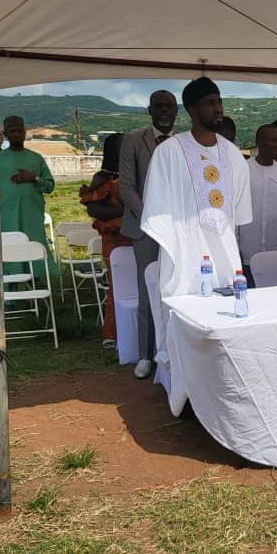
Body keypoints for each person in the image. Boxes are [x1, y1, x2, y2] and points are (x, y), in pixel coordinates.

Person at [141, 77, 252, 367]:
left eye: (219, 102)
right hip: (184, 258)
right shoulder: (169, 152)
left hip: (225, 258)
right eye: (210, 103)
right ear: (191, 109)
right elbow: (157, 211)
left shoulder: (233, 156)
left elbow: (237, 217)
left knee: (225, 324)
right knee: (185, 325)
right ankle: (183, 389)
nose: (218, 109)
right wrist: (180, 244)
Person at [119, 89, 178, 379]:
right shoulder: (133, 141)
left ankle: (173, 350)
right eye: (160, 106)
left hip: (178, 231)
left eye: (170, 106)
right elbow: (126, 187)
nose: (165, 111)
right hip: (145, 229)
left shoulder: (182, 143)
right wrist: (151, 220)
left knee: (175, 288)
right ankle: (145, 355)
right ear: (150, 110)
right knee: (148, 290)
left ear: (177, 110)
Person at [79, 133, 132, 348]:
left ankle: (134, 329)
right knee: (118, 286)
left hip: (137, 236)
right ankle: (113, 332)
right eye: (123, 147)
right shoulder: (103, 178)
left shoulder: (134, 174)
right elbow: (94, 209)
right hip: (115, 238)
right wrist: (126, 210)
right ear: (112, 152)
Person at [0, 115, 56, 278]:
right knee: (11, 248)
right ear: (6, 135)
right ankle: (12, 295)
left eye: (19, 131)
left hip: (32, 214)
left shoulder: (36, 159)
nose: (16, 134)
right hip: (7, 214)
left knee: (34, 245)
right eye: (12, 131)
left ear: (25, 133)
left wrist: (34, 178)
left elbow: (50, 186)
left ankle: (39, 288)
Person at [238, 124, 277, 285]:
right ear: (259, 142)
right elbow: (235, 212)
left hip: (274, 252)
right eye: (274, 141)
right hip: (247, 252)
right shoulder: (243, 170)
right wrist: (235, 247)